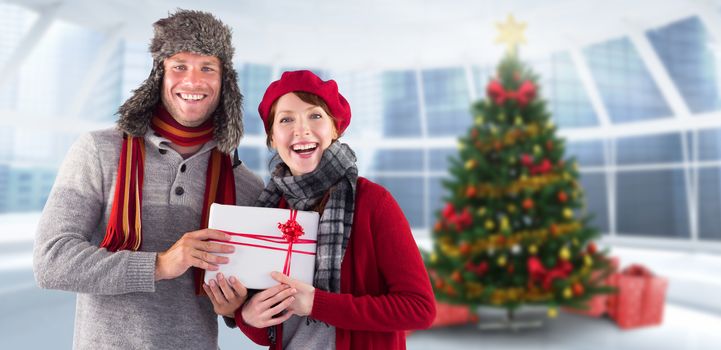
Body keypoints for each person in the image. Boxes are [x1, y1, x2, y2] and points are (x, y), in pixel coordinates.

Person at [32, 9, 263, 350]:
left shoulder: (244, 185)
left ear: (224, 80)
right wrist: (160, 264)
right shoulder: (98, 151)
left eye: (207, 68)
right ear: (160, 74)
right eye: (180, 66)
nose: (193, 81)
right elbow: (51, 261)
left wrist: (233, 309)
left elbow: (248, 295)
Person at [204, 70, 436, 349]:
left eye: (315, 116)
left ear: (335, 128)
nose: (301, 130)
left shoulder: (374, 202)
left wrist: (317, 303)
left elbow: (419, 309)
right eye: (286, 119)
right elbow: (277, 332)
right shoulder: (270, 208)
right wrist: (245, 316)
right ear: (272, 137)